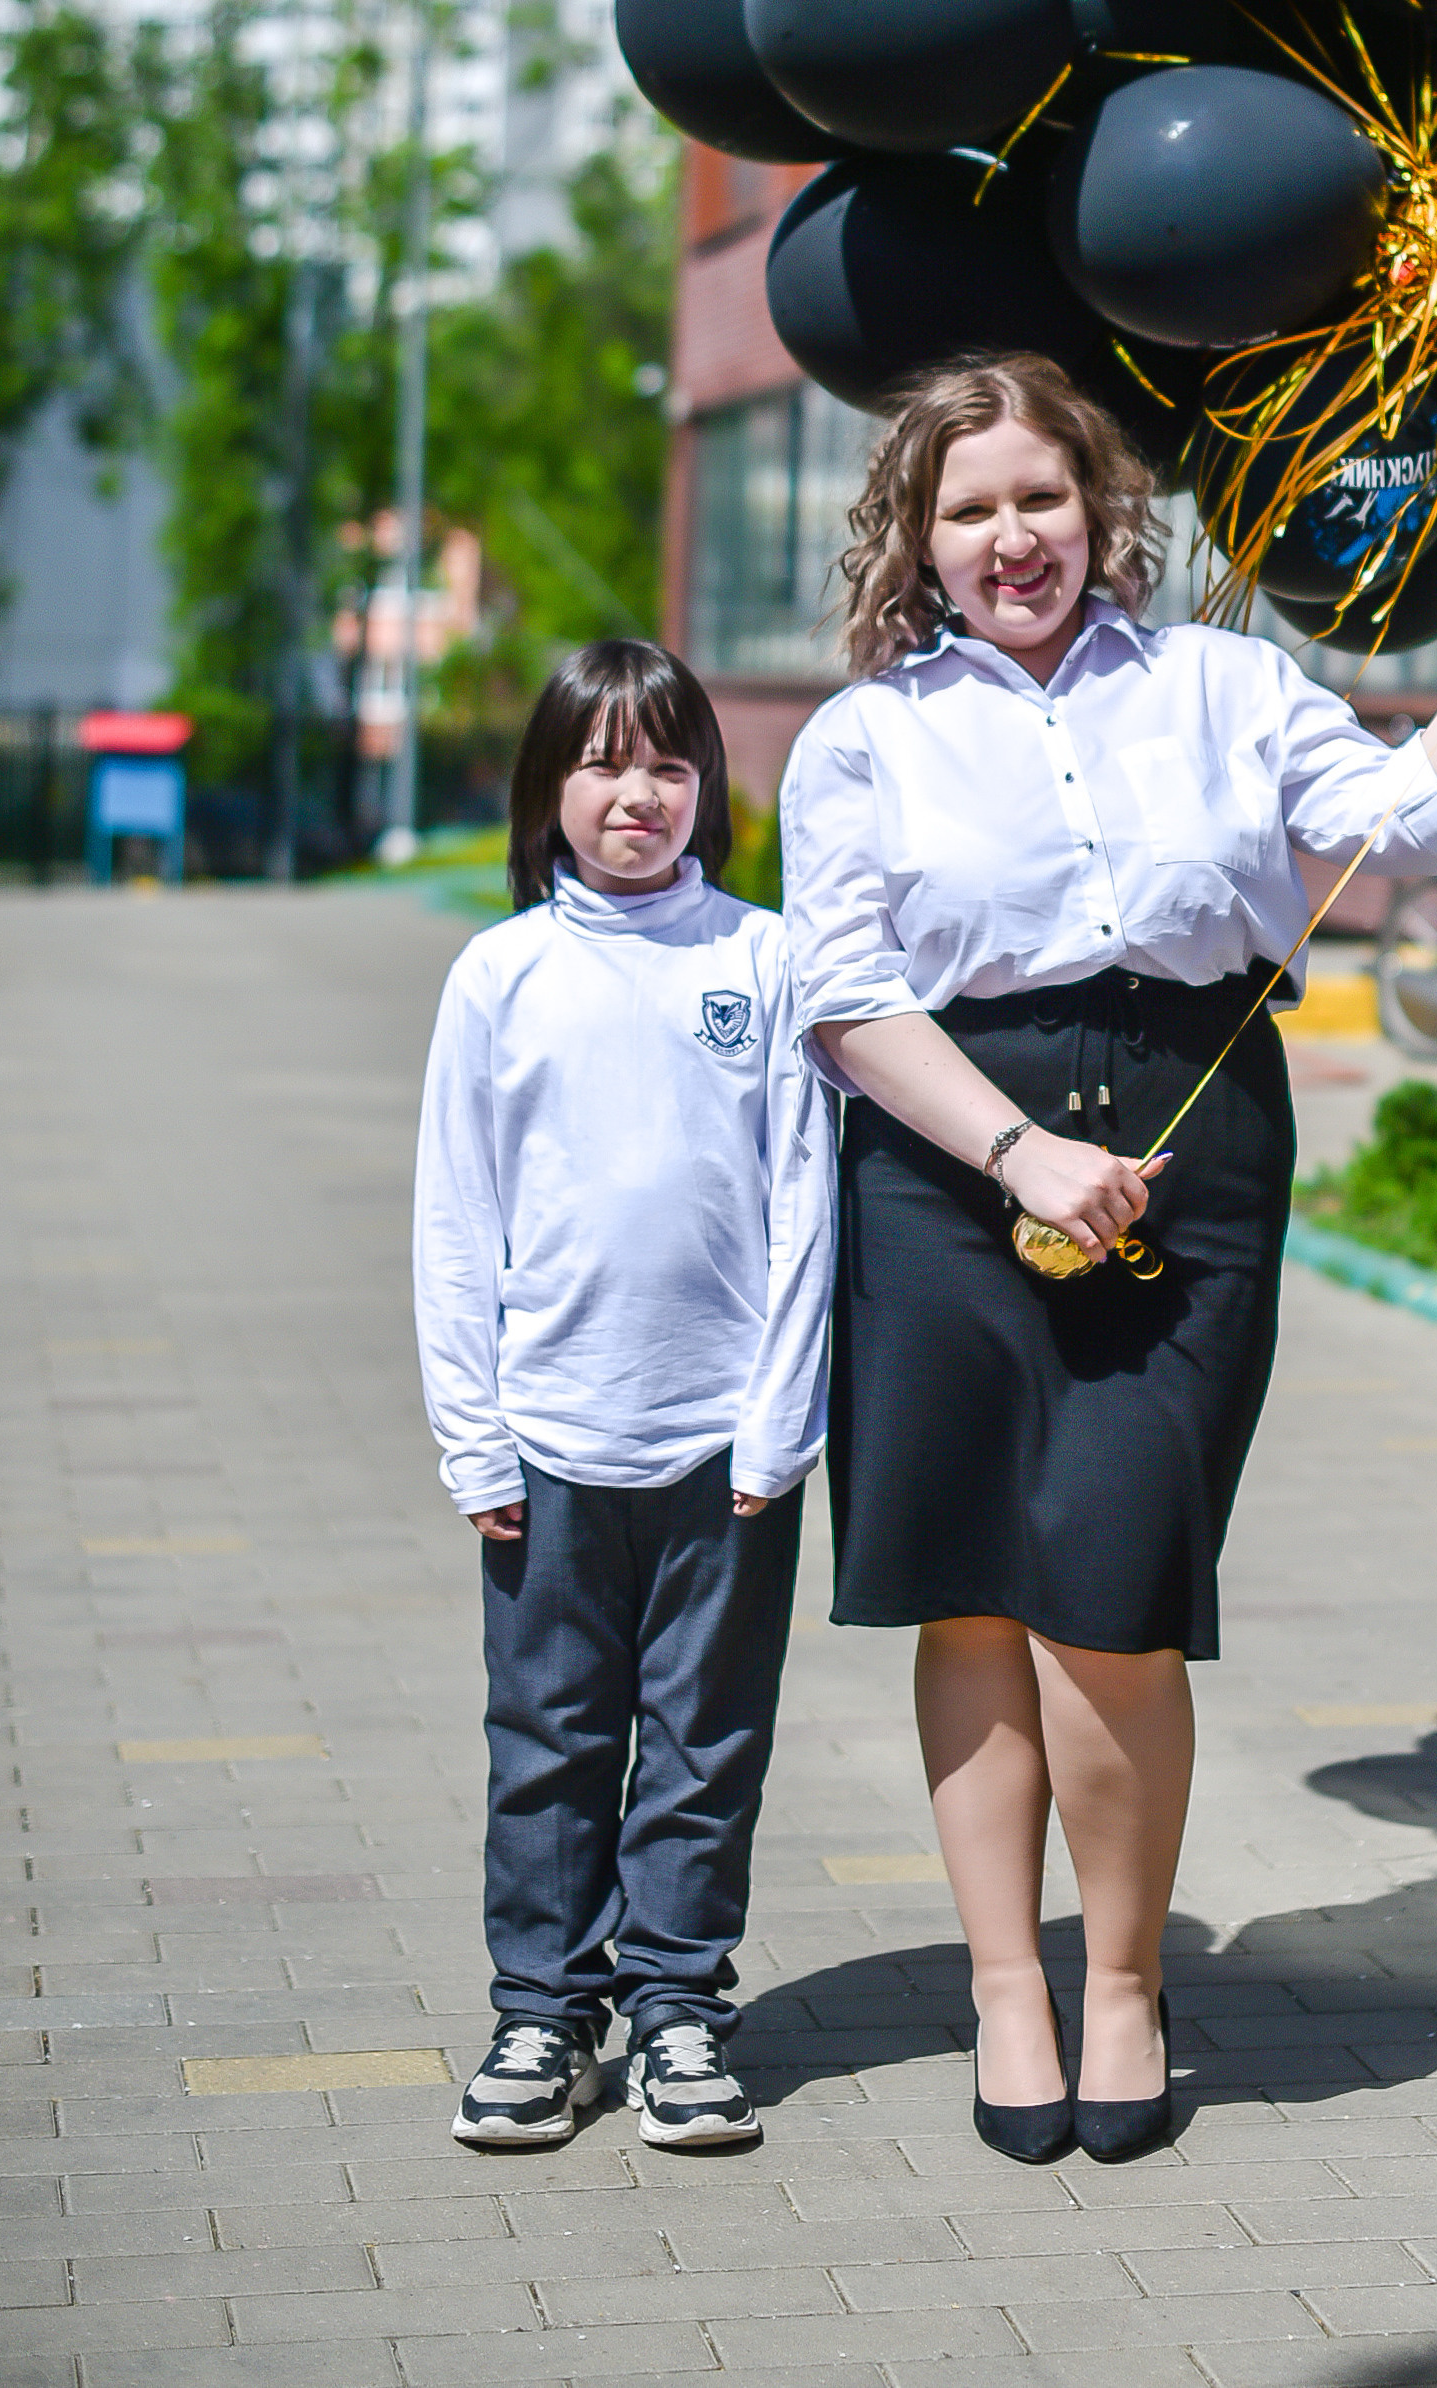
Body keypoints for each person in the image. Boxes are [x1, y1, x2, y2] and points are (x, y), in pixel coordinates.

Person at [778, 352, 1437, 2164]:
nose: (1016, 537)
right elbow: (841, 995)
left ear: (1103, 505)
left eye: (1044, 496)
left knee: (1113, 1585)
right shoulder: (868, 733)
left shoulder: (1229, 684)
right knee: (972, 1587)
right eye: (972, 506)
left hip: (1189, 1157)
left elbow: (1405, 821)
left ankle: (1127, 1981)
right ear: (919, 532)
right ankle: (1010, 1987)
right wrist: (1018, 1151)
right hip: (947, 1167)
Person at [413, 639, 835, 2156]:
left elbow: (806, 1201)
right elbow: (455, 1223)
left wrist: (783, 1419)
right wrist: (475, 1433)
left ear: (708, 785)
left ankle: (677, 2013)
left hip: (724, 1448)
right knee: (550, 1741)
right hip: (548, 1445)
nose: (636, 793)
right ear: (550, 792)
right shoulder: (501, 976)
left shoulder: (763, 960)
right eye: (600, 763)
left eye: (665, 761)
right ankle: (542, 2011)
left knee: (707, 1743)